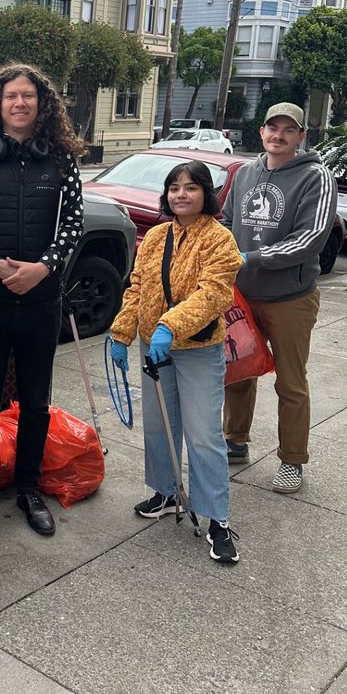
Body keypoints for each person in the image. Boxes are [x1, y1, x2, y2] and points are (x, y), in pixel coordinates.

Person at [0, 64, 85, 537]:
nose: (19, 103)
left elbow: (73, 224)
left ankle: (29, 487)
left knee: (36, 402)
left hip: (40, 298)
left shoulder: (61, 159)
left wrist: (42, 268)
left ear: (41, 103)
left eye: (27, 96)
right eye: (10, 96)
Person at [109, 160, 243, 563]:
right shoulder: (154, 237)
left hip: (198, 349)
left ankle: (216, 517)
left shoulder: (220, 240)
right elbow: (137, 287)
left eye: (191, 187)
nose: (181, 194)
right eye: (174, 188)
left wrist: (170, 325)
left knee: (203, 435)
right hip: (154, 347)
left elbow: (214, 294)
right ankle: (164, 492)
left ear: (206, 193)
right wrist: (121, 333)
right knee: (158, 427)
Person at [222, 103, 337, 493]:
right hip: (241, 296)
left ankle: (292, 460)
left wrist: (249, 257)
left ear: (301, 136)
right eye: (273, 127)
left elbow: (311, 240)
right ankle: (235, 441)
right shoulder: (244, 173)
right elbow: (224, 221)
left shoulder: (315, 176)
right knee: (238, 372)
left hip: (290, 298)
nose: (279, 135)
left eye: (289, 130)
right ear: (262, 132)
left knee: (290, 383)